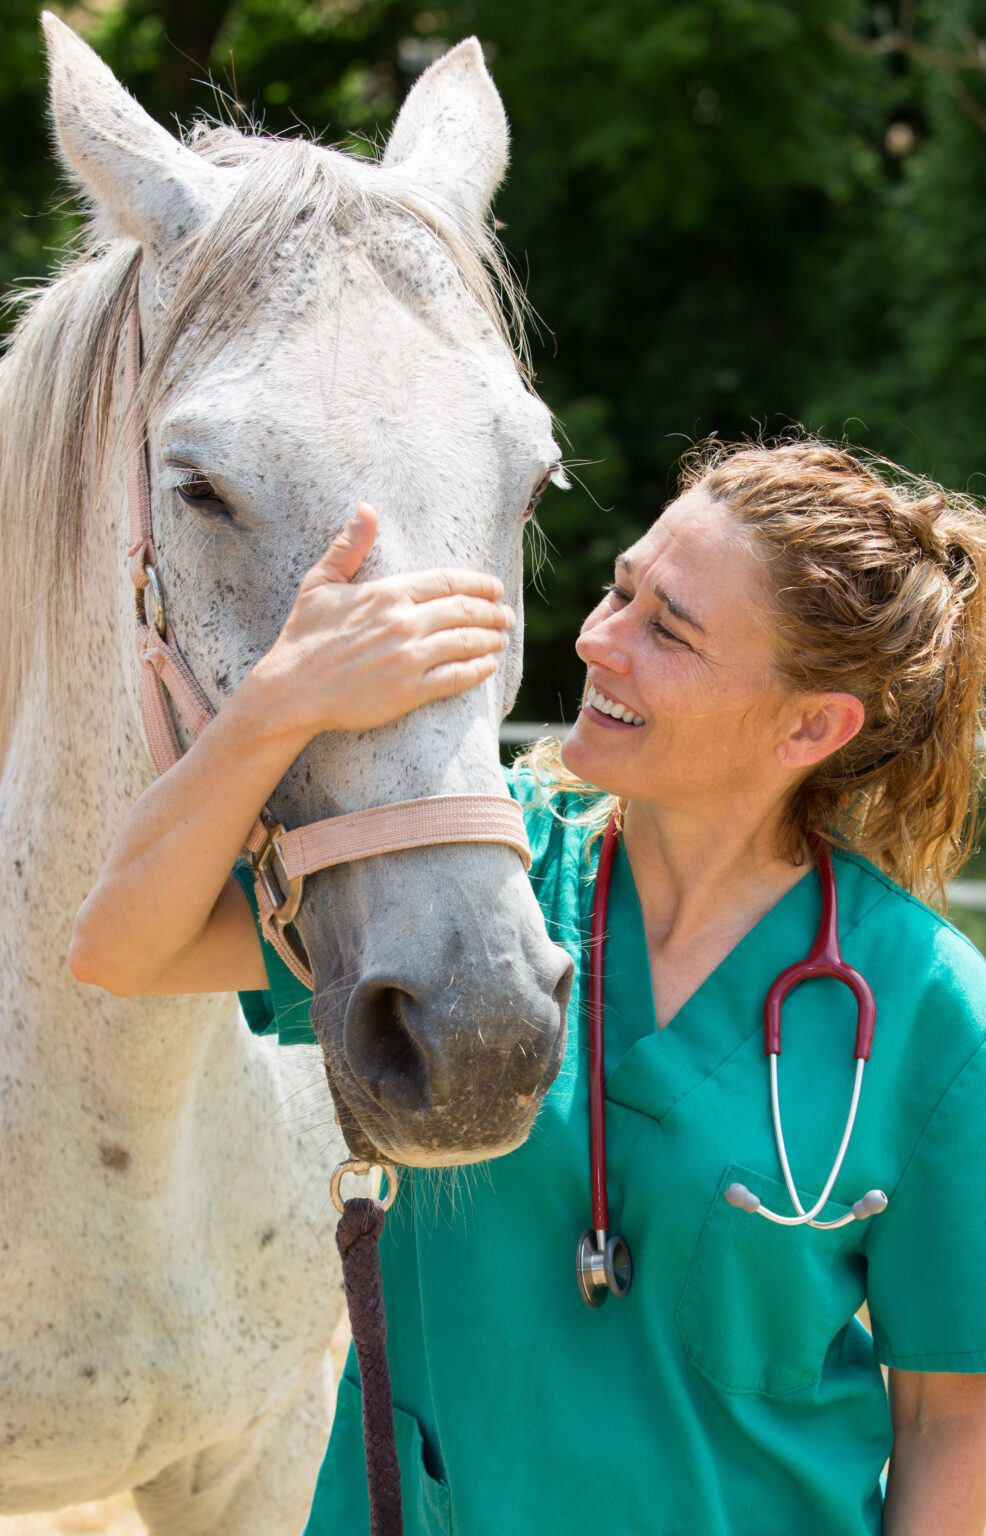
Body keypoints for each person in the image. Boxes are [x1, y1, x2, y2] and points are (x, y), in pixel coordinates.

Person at [71, 436, 986, 1536]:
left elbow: (950, 1418)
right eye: (620, 589)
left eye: (668, 632)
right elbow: (127, 947)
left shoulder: (928, 1015)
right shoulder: (470, 870)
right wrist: (276, 704)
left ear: (810, 724)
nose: (598, 642)